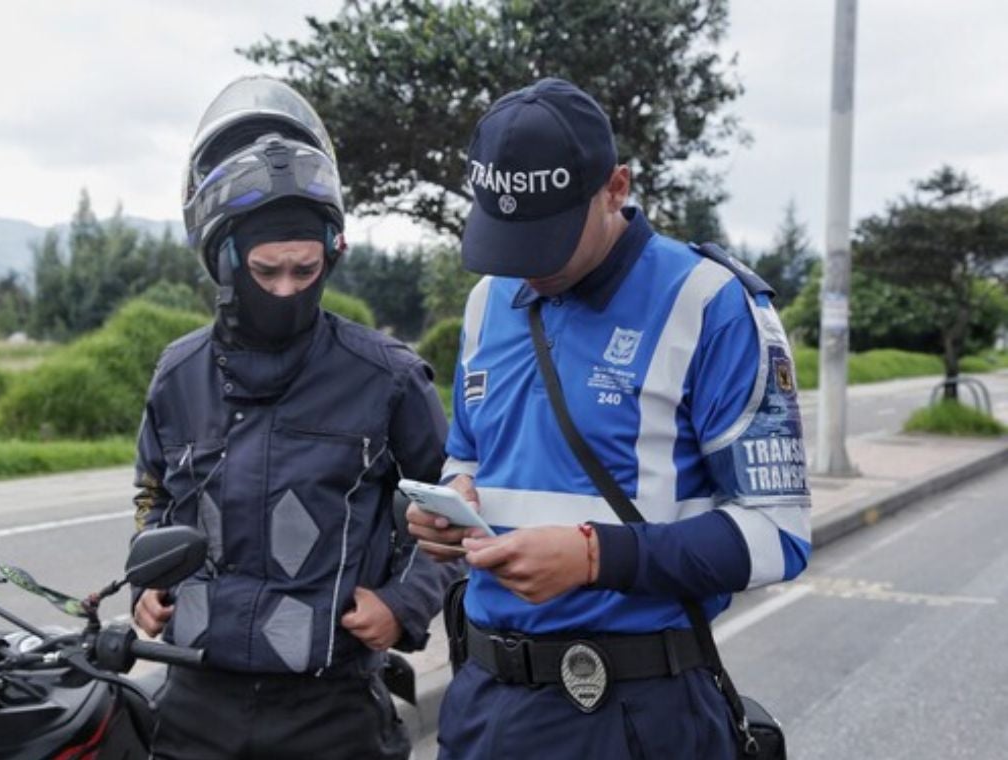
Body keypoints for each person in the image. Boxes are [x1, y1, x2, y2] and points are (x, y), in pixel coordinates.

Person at [407, 77, 812, 759]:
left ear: (616, 187)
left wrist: (597, 557)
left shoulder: (709, 304)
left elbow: (779, 536)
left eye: (547, 239)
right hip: (483, 703)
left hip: (632, 712)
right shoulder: (485, 302)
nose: (525, 269)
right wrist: (451, 505)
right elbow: (470, 454)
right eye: (507, 240)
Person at [129, 75, 454, 760]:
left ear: (330, 254)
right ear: (223, 260)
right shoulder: (178, 374)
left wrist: (404, 604)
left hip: (330, 708)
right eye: (267, 270)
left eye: (305, 271)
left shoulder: (388, 378)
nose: (286, 290)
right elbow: (154, 494)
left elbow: (454, 515)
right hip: (193, 702)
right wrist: (146, 587)